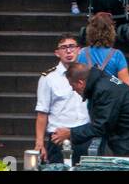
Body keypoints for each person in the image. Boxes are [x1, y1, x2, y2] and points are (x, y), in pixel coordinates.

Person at [53, 63, 129, 158]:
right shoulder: (105, 81)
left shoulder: (103, 90)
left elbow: (101, 126)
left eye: (72, 86)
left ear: (80, 83)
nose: (73, 90)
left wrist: (71, 133)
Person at [33, 33, 90, 165]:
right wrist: (39, 143)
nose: (68, 51)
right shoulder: (48, 78)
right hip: (58, 137)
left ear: (79, 50)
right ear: (57, 53)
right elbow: (42, 112)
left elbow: (114, 82)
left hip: (84, 134)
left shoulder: (89, 72)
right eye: (64, 48)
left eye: (72, 46)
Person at [75, 11, 129, 89]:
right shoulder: (117, 55)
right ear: (112, 32)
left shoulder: (82, 53)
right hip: (111, 98)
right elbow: (126, 83)